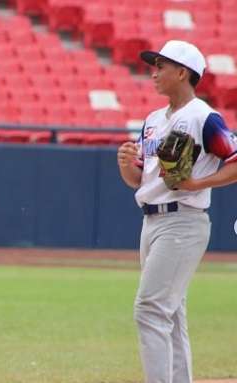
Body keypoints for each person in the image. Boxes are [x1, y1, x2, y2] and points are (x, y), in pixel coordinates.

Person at [117, 40, 237, 383]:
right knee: (171, 313)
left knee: (150, 309)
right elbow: (140, 180)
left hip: (183, 221)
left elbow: (234, 160)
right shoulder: (153, 120)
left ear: (182, 72)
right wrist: (126, 166)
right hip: (152, 220)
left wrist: (198, 184)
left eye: (161, 66)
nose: (153, 72)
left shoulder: (204, 117)